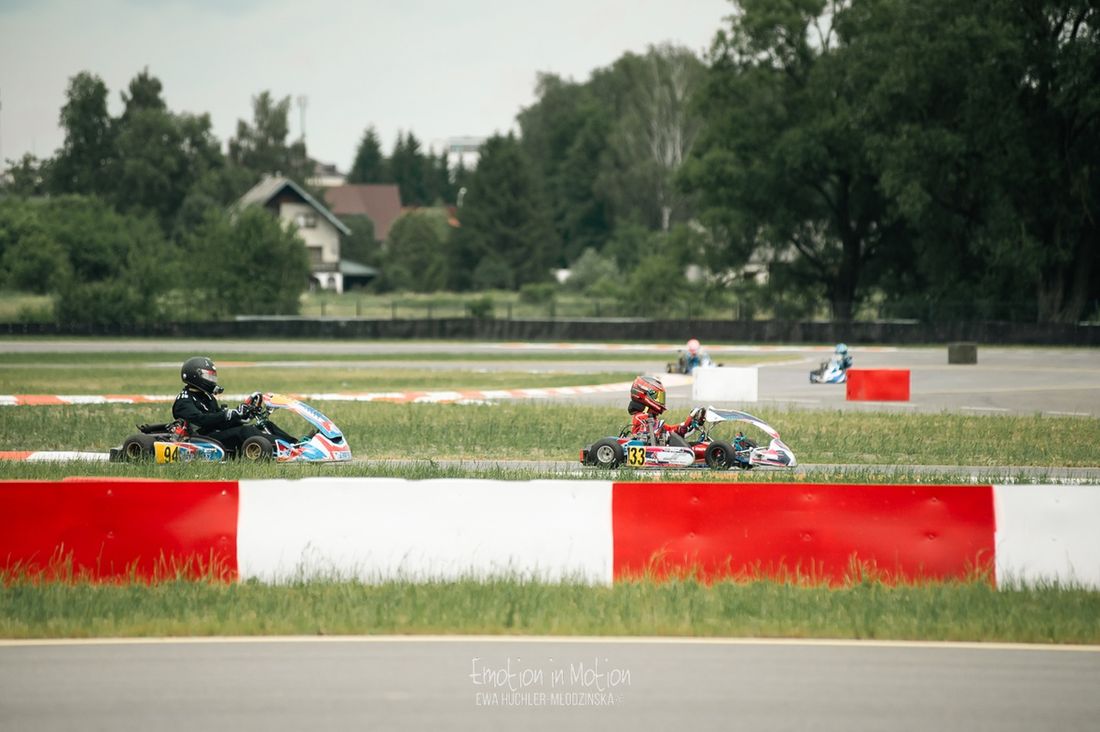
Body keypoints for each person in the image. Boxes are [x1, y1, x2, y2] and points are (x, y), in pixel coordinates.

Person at [172, 356, 285, 457]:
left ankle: (292, 443)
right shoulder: (184, 400)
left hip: (216, 433)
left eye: (213, 377)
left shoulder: (207, 396)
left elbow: (219, 421)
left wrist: (240, 415)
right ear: (195, 376)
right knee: (245, 431)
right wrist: (227, 414)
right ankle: (284, 450)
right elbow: (201, 420)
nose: (212, 380)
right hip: (204, 438)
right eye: (208, 376)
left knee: (264, 425)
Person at [627, 375, 705, 447]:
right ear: (643, 394)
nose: (660, 400)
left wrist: (687, 424)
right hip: (647, 450)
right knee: (686, 448)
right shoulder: (640, 417)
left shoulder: (651, 418)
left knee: (699, 446)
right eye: (657, 397)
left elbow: (669, 430)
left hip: (657, 449)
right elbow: (653, 433)